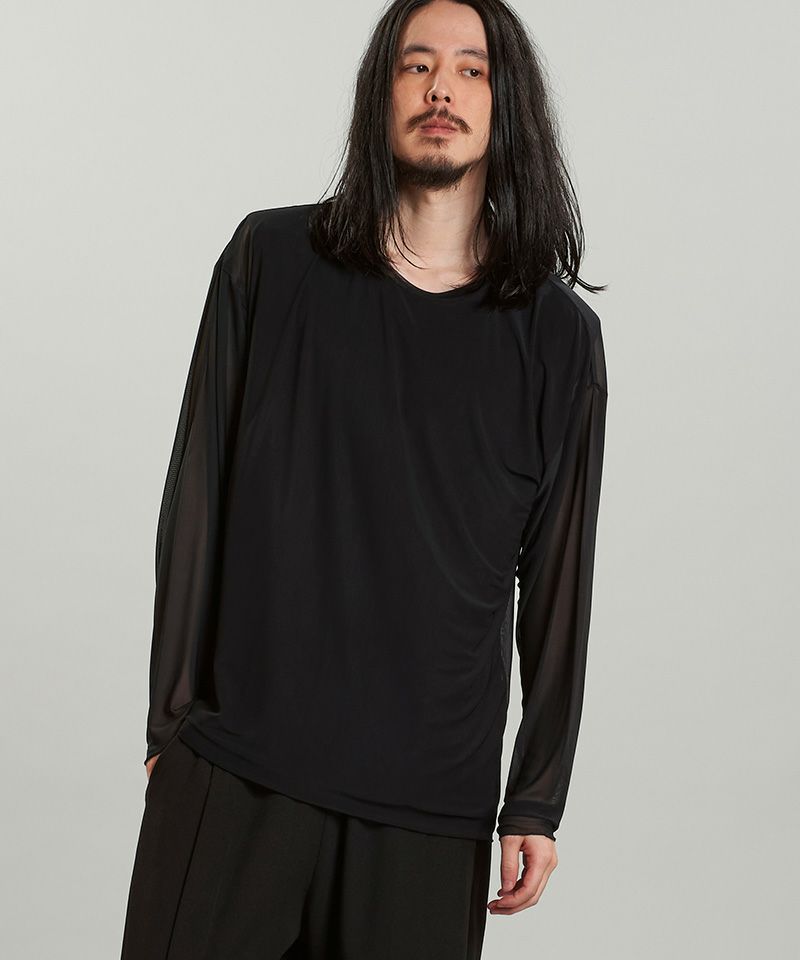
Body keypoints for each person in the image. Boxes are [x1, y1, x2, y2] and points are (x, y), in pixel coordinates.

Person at [120, 0, 609, 957]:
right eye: (415, 65)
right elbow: (198, 493)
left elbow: (559, 575)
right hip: (238, 769)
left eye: (471, 69)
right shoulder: (270, 262)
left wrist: (536, 796)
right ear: (378, 93)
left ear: (507, 103)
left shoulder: (558, 338)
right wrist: (170, 724)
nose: (440, 89)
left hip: (428, 810)